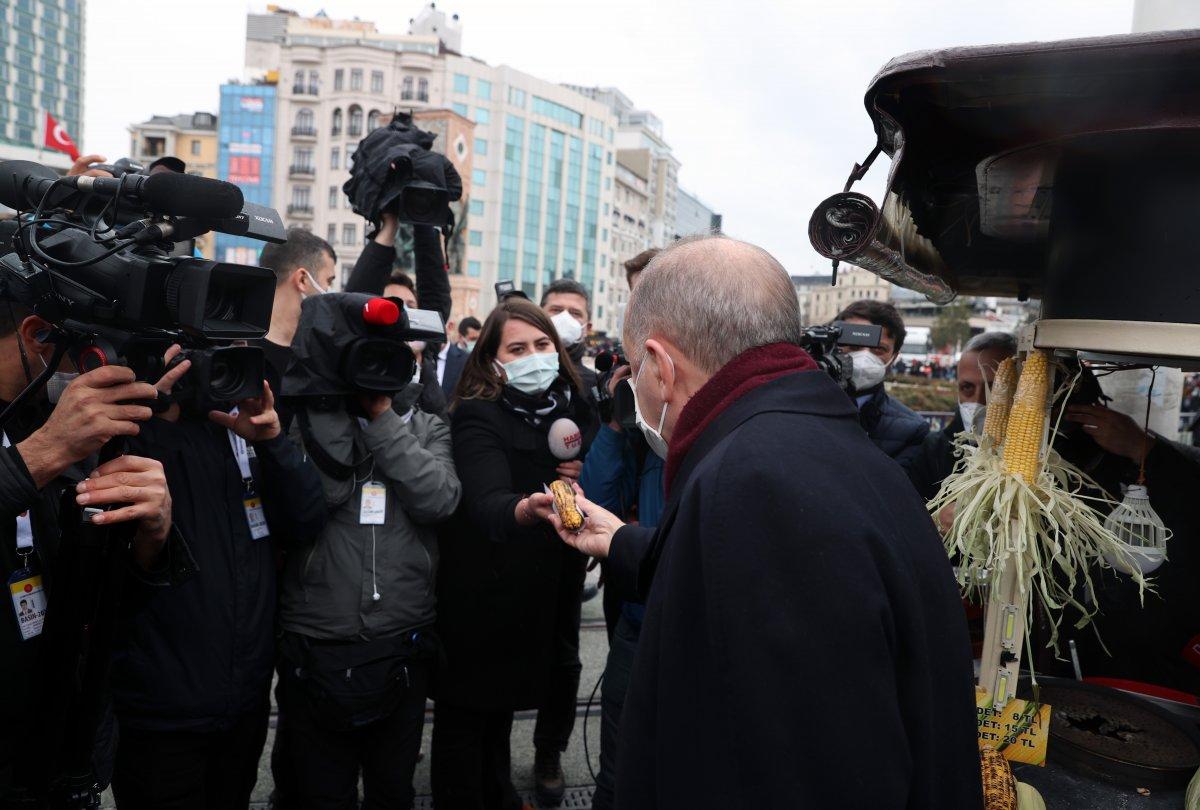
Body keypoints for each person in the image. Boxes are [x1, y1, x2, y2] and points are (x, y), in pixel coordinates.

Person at [530, 236, 982, 808]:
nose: (634, 386)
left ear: (663, 367)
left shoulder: (751, 481)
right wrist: (622, 542)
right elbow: (744, 582)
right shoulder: (808, 439)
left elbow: (795, 768)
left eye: (634, 366)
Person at [109, 354, 327, 810]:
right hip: (163, 712)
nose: (223, 365)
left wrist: (273, 442)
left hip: (243, 700)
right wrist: (157, 420)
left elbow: (305, 521)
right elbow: (126, 554)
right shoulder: (145, 431)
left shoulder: (246, 429)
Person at [278, 292, 461, 810]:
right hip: (318, 634)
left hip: (401, 637)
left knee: (392, 788)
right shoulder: (310, 417)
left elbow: (440, 499)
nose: (378, 366)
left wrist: (381, 417)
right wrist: (333, 406)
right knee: (321, 793)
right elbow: (322, 496)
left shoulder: (427, 423)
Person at [0, 309, 187, 805]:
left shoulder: (61, 415)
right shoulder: (57, 430)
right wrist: (36, 458)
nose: (101, 361)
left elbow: (108, 605)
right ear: (37, 333)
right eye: (90, 339)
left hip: (68, 753)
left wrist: (152, 536)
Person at [431, 299, 597, 810]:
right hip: (479, 589)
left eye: (543, 345)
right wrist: (528, 506)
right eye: (518, 348)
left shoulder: (568, 406)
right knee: (466, 716)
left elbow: (590, 428)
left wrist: (577, 473)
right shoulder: (478, 413)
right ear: (493, 360)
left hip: (532, 589)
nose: (535, 356)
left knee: (499, 712)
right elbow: (485, 501)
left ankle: (499, 794)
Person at [578, 248, 663, 810]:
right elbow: (599, 502)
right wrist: (616, 422)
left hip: (691, 607)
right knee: (620, 771)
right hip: (636, 612)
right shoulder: (630, 403)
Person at [530, 279, 601, 803]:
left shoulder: (596, 387)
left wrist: (586, 467)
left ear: (589, 325)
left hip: (569, 540)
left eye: (574, 312)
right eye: (554, 310)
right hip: (515, 531)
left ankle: (549, 750)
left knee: (563, 654)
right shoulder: (508, 373)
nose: (564, 319)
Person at [344, 212, 452, 419]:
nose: (407, 314)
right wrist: (389, 227)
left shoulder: (427, 360)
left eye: (412, 305)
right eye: (396, 306)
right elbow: (356, 298)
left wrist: (423, 218)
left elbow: (435, 291)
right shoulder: (364, 364)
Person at [905, 331, 1018, 508]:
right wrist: (936, 519)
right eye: (967, 387)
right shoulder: (934, 450)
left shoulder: (1048, 453)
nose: (978, 400)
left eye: (994, 388)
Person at [257, 228, 339, 430]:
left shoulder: (321, 355)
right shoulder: (237, 350)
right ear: (302, 280)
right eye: (328, 281)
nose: (329, 292)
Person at [836, 299, 929, 463]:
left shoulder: (912, 431)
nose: (865, 356)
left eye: (878, 349)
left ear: (894, 357)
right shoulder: (802, 407)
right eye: (854, 346)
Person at [440, 316, 481, 400]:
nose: (476, 343)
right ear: (460, 337)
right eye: (473, 339)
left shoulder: (481, 361)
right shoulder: (445, 354)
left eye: (478, 339)